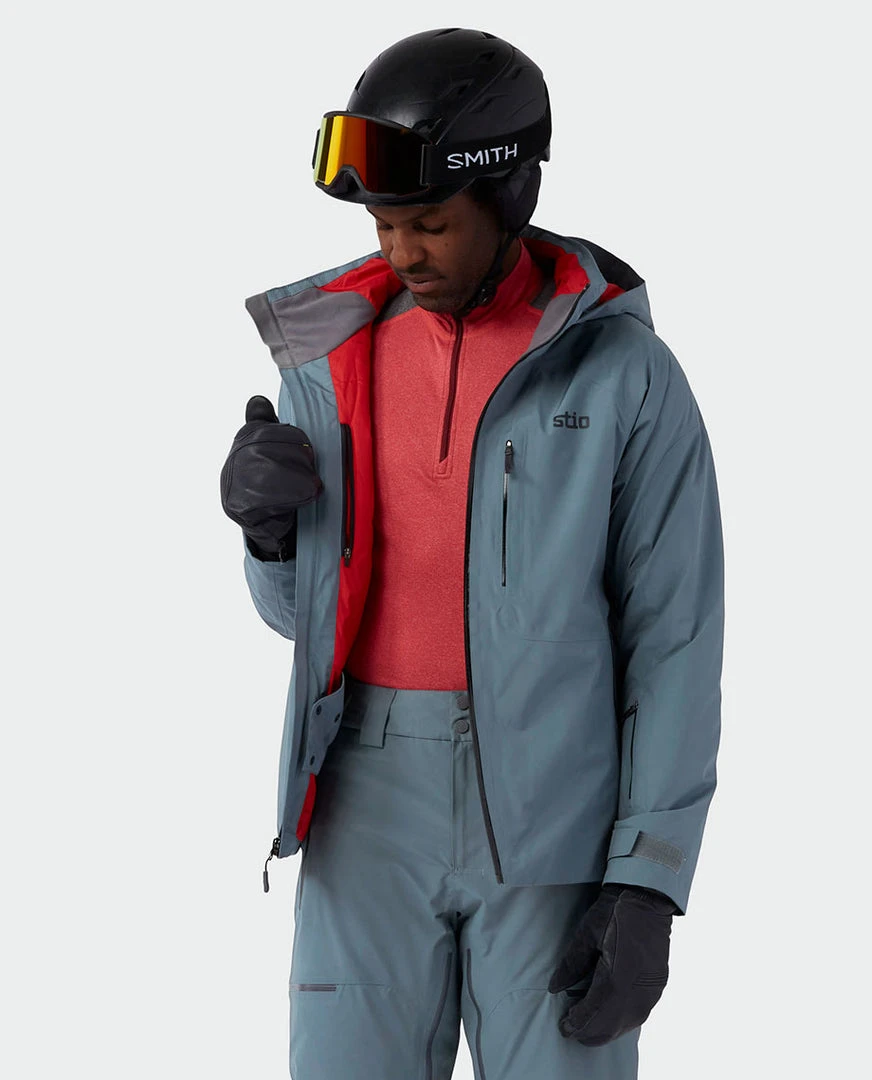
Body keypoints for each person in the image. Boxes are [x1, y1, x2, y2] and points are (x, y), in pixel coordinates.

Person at [220, 26, 724, 1080]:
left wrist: (647, 881)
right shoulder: (333, 358)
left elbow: (674, 641)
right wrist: (268, 536)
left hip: (554, 813)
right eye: (383, 225)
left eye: (430, 224)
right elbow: (300, 618)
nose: (402, 253)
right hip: (361, 800)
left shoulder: (625, 377)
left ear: (512, 195)